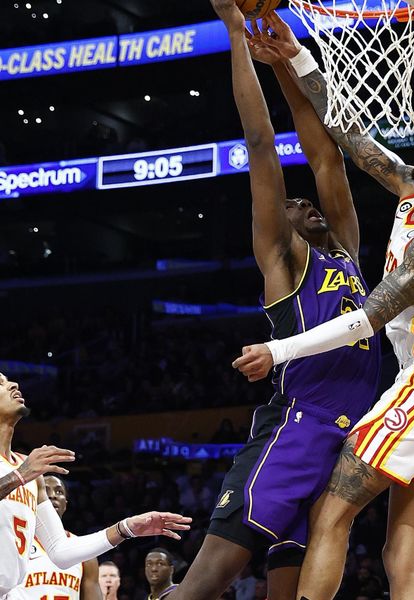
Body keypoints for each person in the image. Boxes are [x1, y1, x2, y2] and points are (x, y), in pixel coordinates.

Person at [232, 11, 414, 599]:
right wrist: (295, 55)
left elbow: (368, 316)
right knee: (400, 554)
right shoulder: (413, 191)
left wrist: (278, 348)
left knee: (330, 512)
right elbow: (351, 139)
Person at [168, 4, 381, 600]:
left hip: (344, 441)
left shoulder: (346, 252)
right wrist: (236, 33)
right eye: (294, 204)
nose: (306, 204)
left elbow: (327, 158)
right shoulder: (284, 260)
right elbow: (263, 144)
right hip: (297, 430)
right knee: (203, 586)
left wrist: (288, 66)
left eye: (308, 204)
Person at [0, 372, 191, 600]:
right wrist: (20, 476)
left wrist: (126, 528)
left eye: (9, 379)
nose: (13, 383)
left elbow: (61, 551)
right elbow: (20, 476)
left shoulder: (30, 470)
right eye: (0, 383)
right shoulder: (27, 470)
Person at [14, 475, 101, 600]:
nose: (52, 495)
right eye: (45, 490)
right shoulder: (15, 543)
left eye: (59, 491)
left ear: (65, 504)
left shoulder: (84, 552)